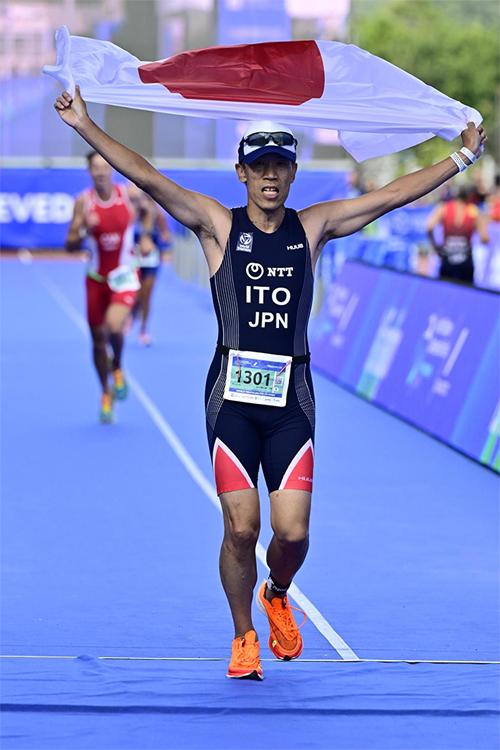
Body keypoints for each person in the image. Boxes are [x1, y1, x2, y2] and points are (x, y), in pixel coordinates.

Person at [55, 86, 486, 680]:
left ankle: (277, 591)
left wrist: (462, 159)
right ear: (241, 173)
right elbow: (148, 177)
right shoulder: (215, 225)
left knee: (293, 532)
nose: (269, 176)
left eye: (280, 165)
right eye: (259, 166)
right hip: (231, 398)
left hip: (292, 401)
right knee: (241, 527)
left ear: (291, 172)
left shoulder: (314, 227)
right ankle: (242, 636)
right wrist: (84, 124)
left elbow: (391, 196)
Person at [65, 151, 152, 422]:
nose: (101, 172)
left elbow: (150, 210)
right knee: (97, 342)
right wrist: (82, 229)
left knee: (115, 327)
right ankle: (105, 392)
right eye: (96, 168)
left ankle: (118, 366)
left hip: (124, 276)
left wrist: (146, 236)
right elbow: (69, 246)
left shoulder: (129, 195)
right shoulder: (84, 202)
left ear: (111, 169)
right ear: (89, 171)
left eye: (105, 166)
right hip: (96, 280)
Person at [127, 185, 172, 346]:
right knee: (136, 295)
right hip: (135, 260)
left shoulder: (158, 214)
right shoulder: (134, 212)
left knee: (146, 297)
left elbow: (166, 236)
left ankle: (143, 330)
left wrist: (156, 243)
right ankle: (131, 317)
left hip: (152, 260)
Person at [426, 184, 489, 284]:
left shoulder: (444, 208)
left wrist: (435, 246)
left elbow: (429, 227)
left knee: (445, 290)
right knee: (466, 293)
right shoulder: (472, 210)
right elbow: (485, 238)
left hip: (448, 256)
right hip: (465, 259)